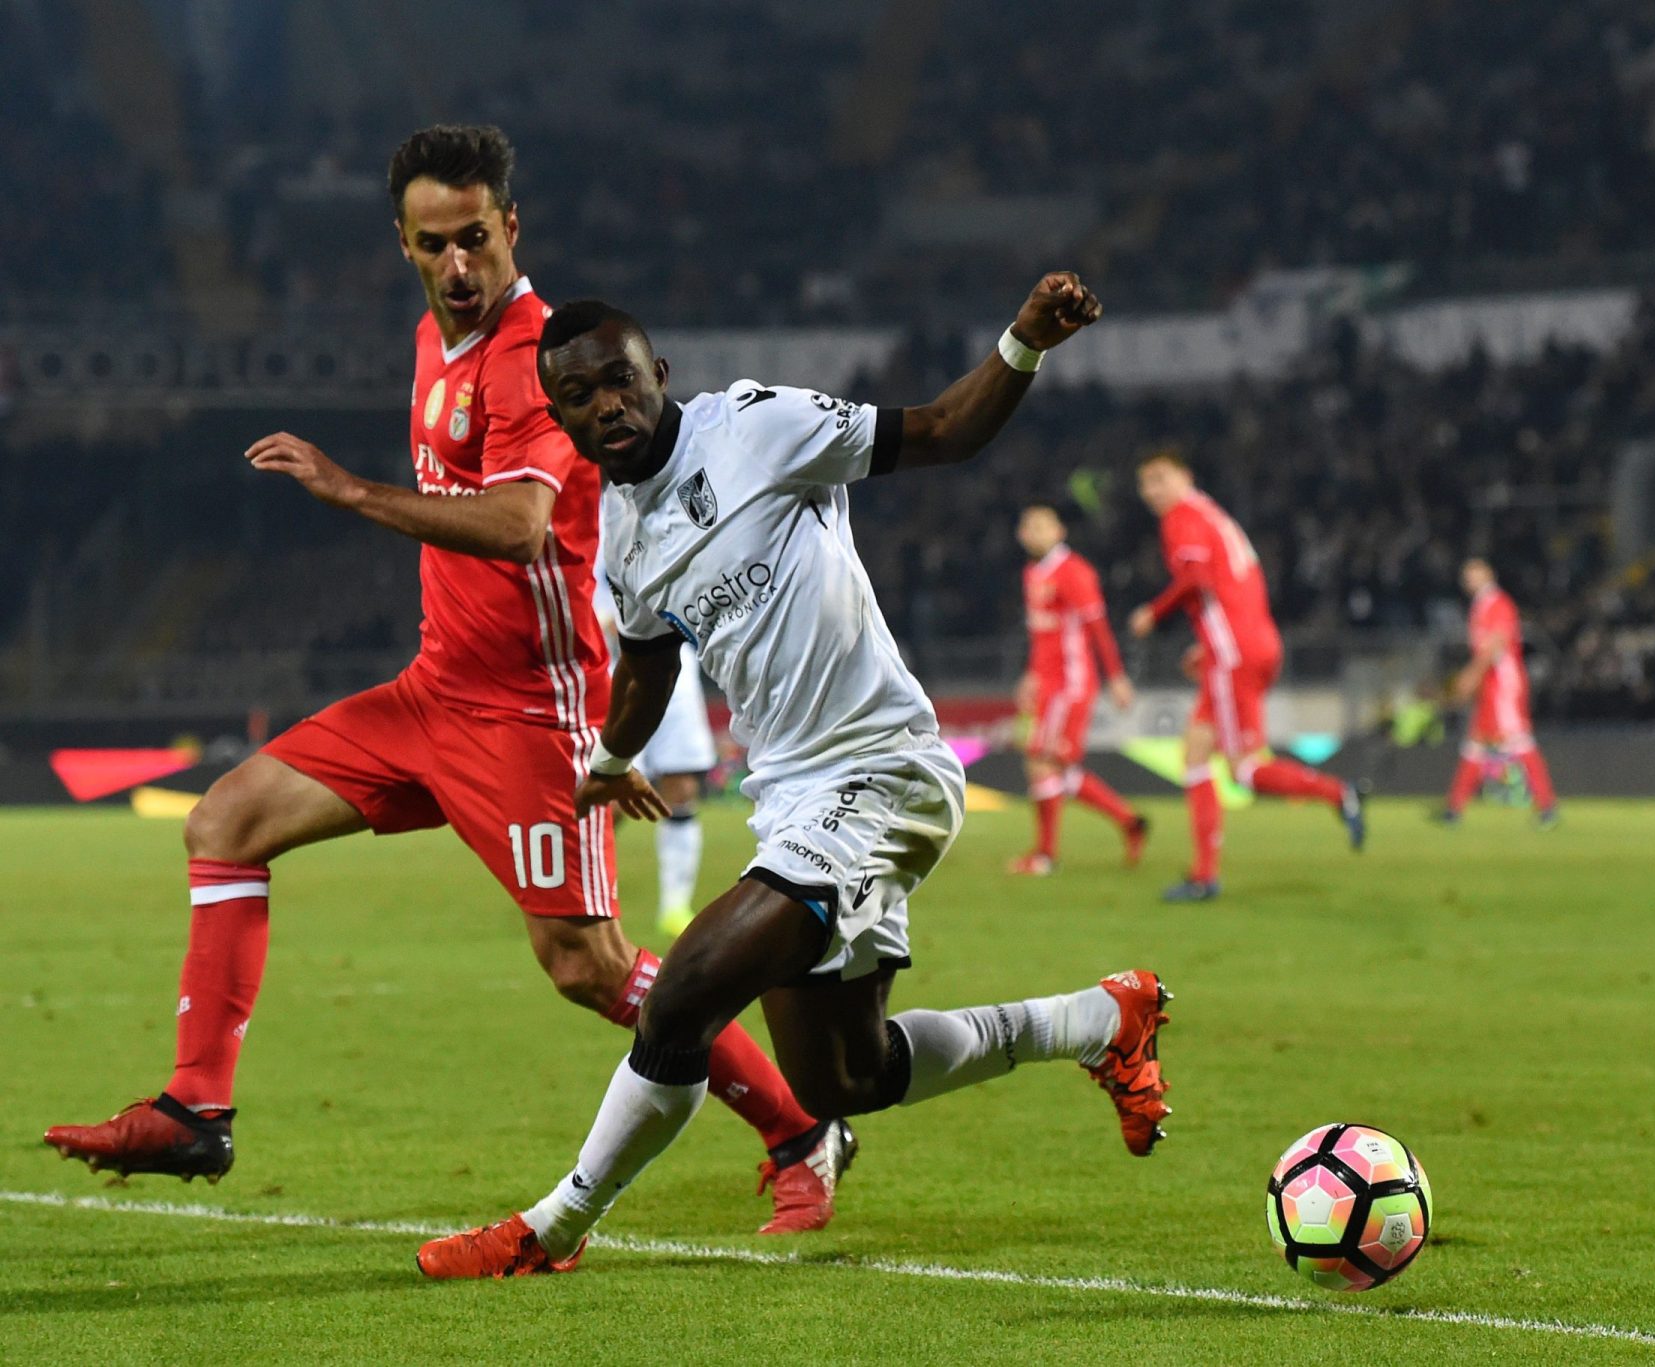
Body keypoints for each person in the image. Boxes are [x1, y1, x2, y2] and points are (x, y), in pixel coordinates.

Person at [43, 124, 851, 1235]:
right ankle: (197, 1107)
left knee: (585, 964)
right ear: (406, 244)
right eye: (434, 245)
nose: (458, 265)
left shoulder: (536, 356)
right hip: (431, 693)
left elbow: (523, 525)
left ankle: (803, 1128)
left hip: (530, 709)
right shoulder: (436, 338)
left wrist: (351, 492)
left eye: (476, 238)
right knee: (225, 821)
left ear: (511, 226)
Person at [415, 273, 1174, 1279]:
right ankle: (1099, 1019)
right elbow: (647, 665)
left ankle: (551, 1228)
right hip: (793, 803)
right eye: (581, 396)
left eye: (620, 380)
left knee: (679, 996)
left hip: (882, 771)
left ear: (659, 374)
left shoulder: (759, 426)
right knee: (843, 1077)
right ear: (558, 415)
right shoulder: (626, 544)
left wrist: (1024, 342)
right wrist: (608, 758)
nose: (607, 405)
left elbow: (943, 429)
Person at [1128, 453, 1364, 902]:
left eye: (1160, 478)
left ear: (1185, 477)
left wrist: (1153, 614)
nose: (1152, 490)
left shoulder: (1182, 517)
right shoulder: (1214, 516)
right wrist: (1211, 643)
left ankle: (1339, 793)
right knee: (1196, 755)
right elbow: (1233, 584)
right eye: (1145, 483)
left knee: (1244, 768)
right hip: (1248, 640)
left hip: (1234, 651)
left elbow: (1196, 576)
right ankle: (1203, 874)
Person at [1010, 503, 1147, 876]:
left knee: (1040, 761)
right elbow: (1041, 635)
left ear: (1059, 532)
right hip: (1049, 682)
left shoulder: (1074, 572)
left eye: (1042, 526)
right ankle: (1130, 821)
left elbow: (1098, 629)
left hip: (1070, 683)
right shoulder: (1032, 573)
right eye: (1027, 526)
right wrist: (1031, 676)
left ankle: (1044, 856)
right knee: (1059, 769)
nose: (1033, 532)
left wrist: (1116, 677)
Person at [594, 572, 715, 939]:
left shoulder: (682, 515)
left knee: (682, 785)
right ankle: (585, 895)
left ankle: (675, 907)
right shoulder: (600, 519)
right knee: (609, 794)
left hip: (677, 661)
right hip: (613, 666)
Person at [1439, 559, 1558, 828]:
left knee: (1519, 741)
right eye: (1466, 576)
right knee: (1476, 744)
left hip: (1504, 683)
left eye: (1474, 574)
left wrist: (1472, 674)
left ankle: (1547, 806)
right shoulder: (1481, 605)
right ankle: (1454, 808)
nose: (1468, 581)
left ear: (1488, 574)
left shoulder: (1498, 603)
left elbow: (1497, 643)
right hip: (1491, 684)